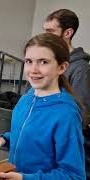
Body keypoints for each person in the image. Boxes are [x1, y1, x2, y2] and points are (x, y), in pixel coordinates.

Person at [0, 33, 85, 180]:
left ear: (61, 67)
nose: (33, 69)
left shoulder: (66, 114)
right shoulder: (25, 99)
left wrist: (25, 178)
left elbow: (73, 175)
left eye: (43, 62)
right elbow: (29, 136)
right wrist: (5, 139)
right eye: (29, 61)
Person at [43, 9, 90, 178]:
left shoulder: (81, 70)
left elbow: (81, 115)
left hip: (62, 150)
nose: (45, 36)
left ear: (68, 33)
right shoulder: (50, 62)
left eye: (50, 31)